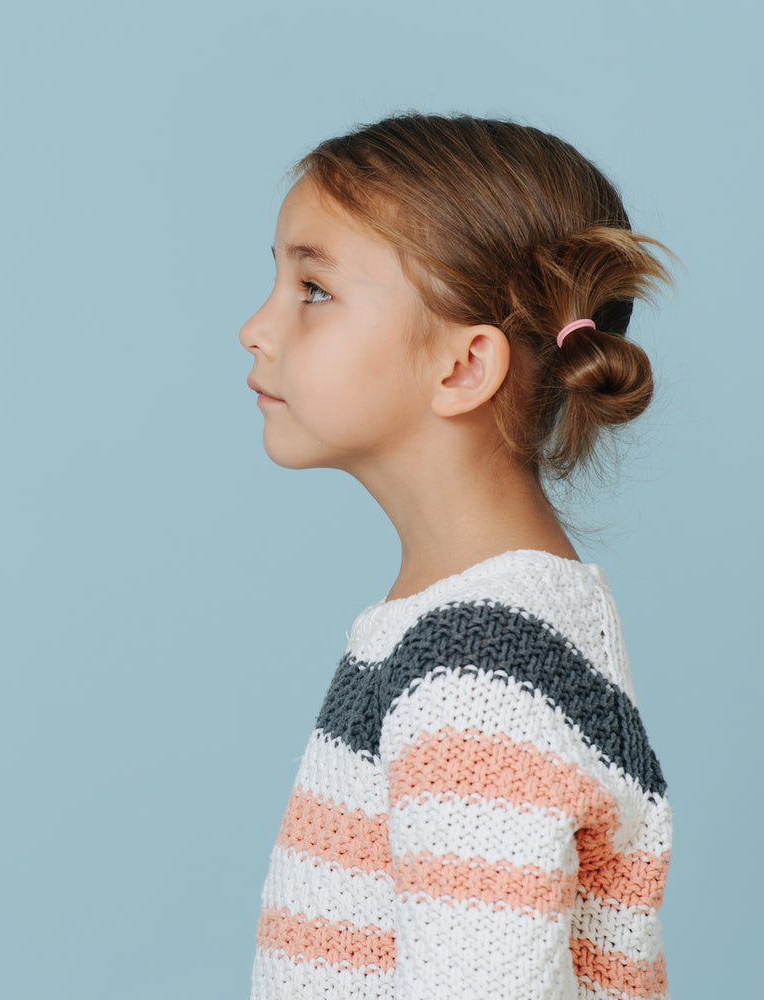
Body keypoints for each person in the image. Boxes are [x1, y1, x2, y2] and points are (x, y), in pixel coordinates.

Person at [239, 115, 672, 1000]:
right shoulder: (483, 632)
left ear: (463, 367)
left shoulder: (479, 670)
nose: (257, 326)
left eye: (312, 289)